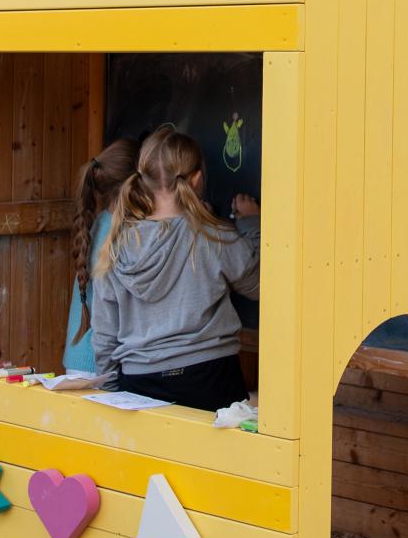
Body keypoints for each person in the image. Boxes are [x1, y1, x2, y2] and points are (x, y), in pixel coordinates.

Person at [90, 126, 261, 411]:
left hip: (138, 383)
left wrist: (110, 392)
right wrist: (252, 224)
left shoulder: (116, 244)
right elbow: (260, 285)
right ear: (196, 180)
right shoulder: (212, 236)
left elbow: (104, 333)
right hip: (211, 378)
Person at [64, 138, 139, 372]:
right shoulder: (124, 233)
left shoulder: (99, 223)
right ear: (136, 184)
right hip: (98, 369)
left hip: (78, 359)